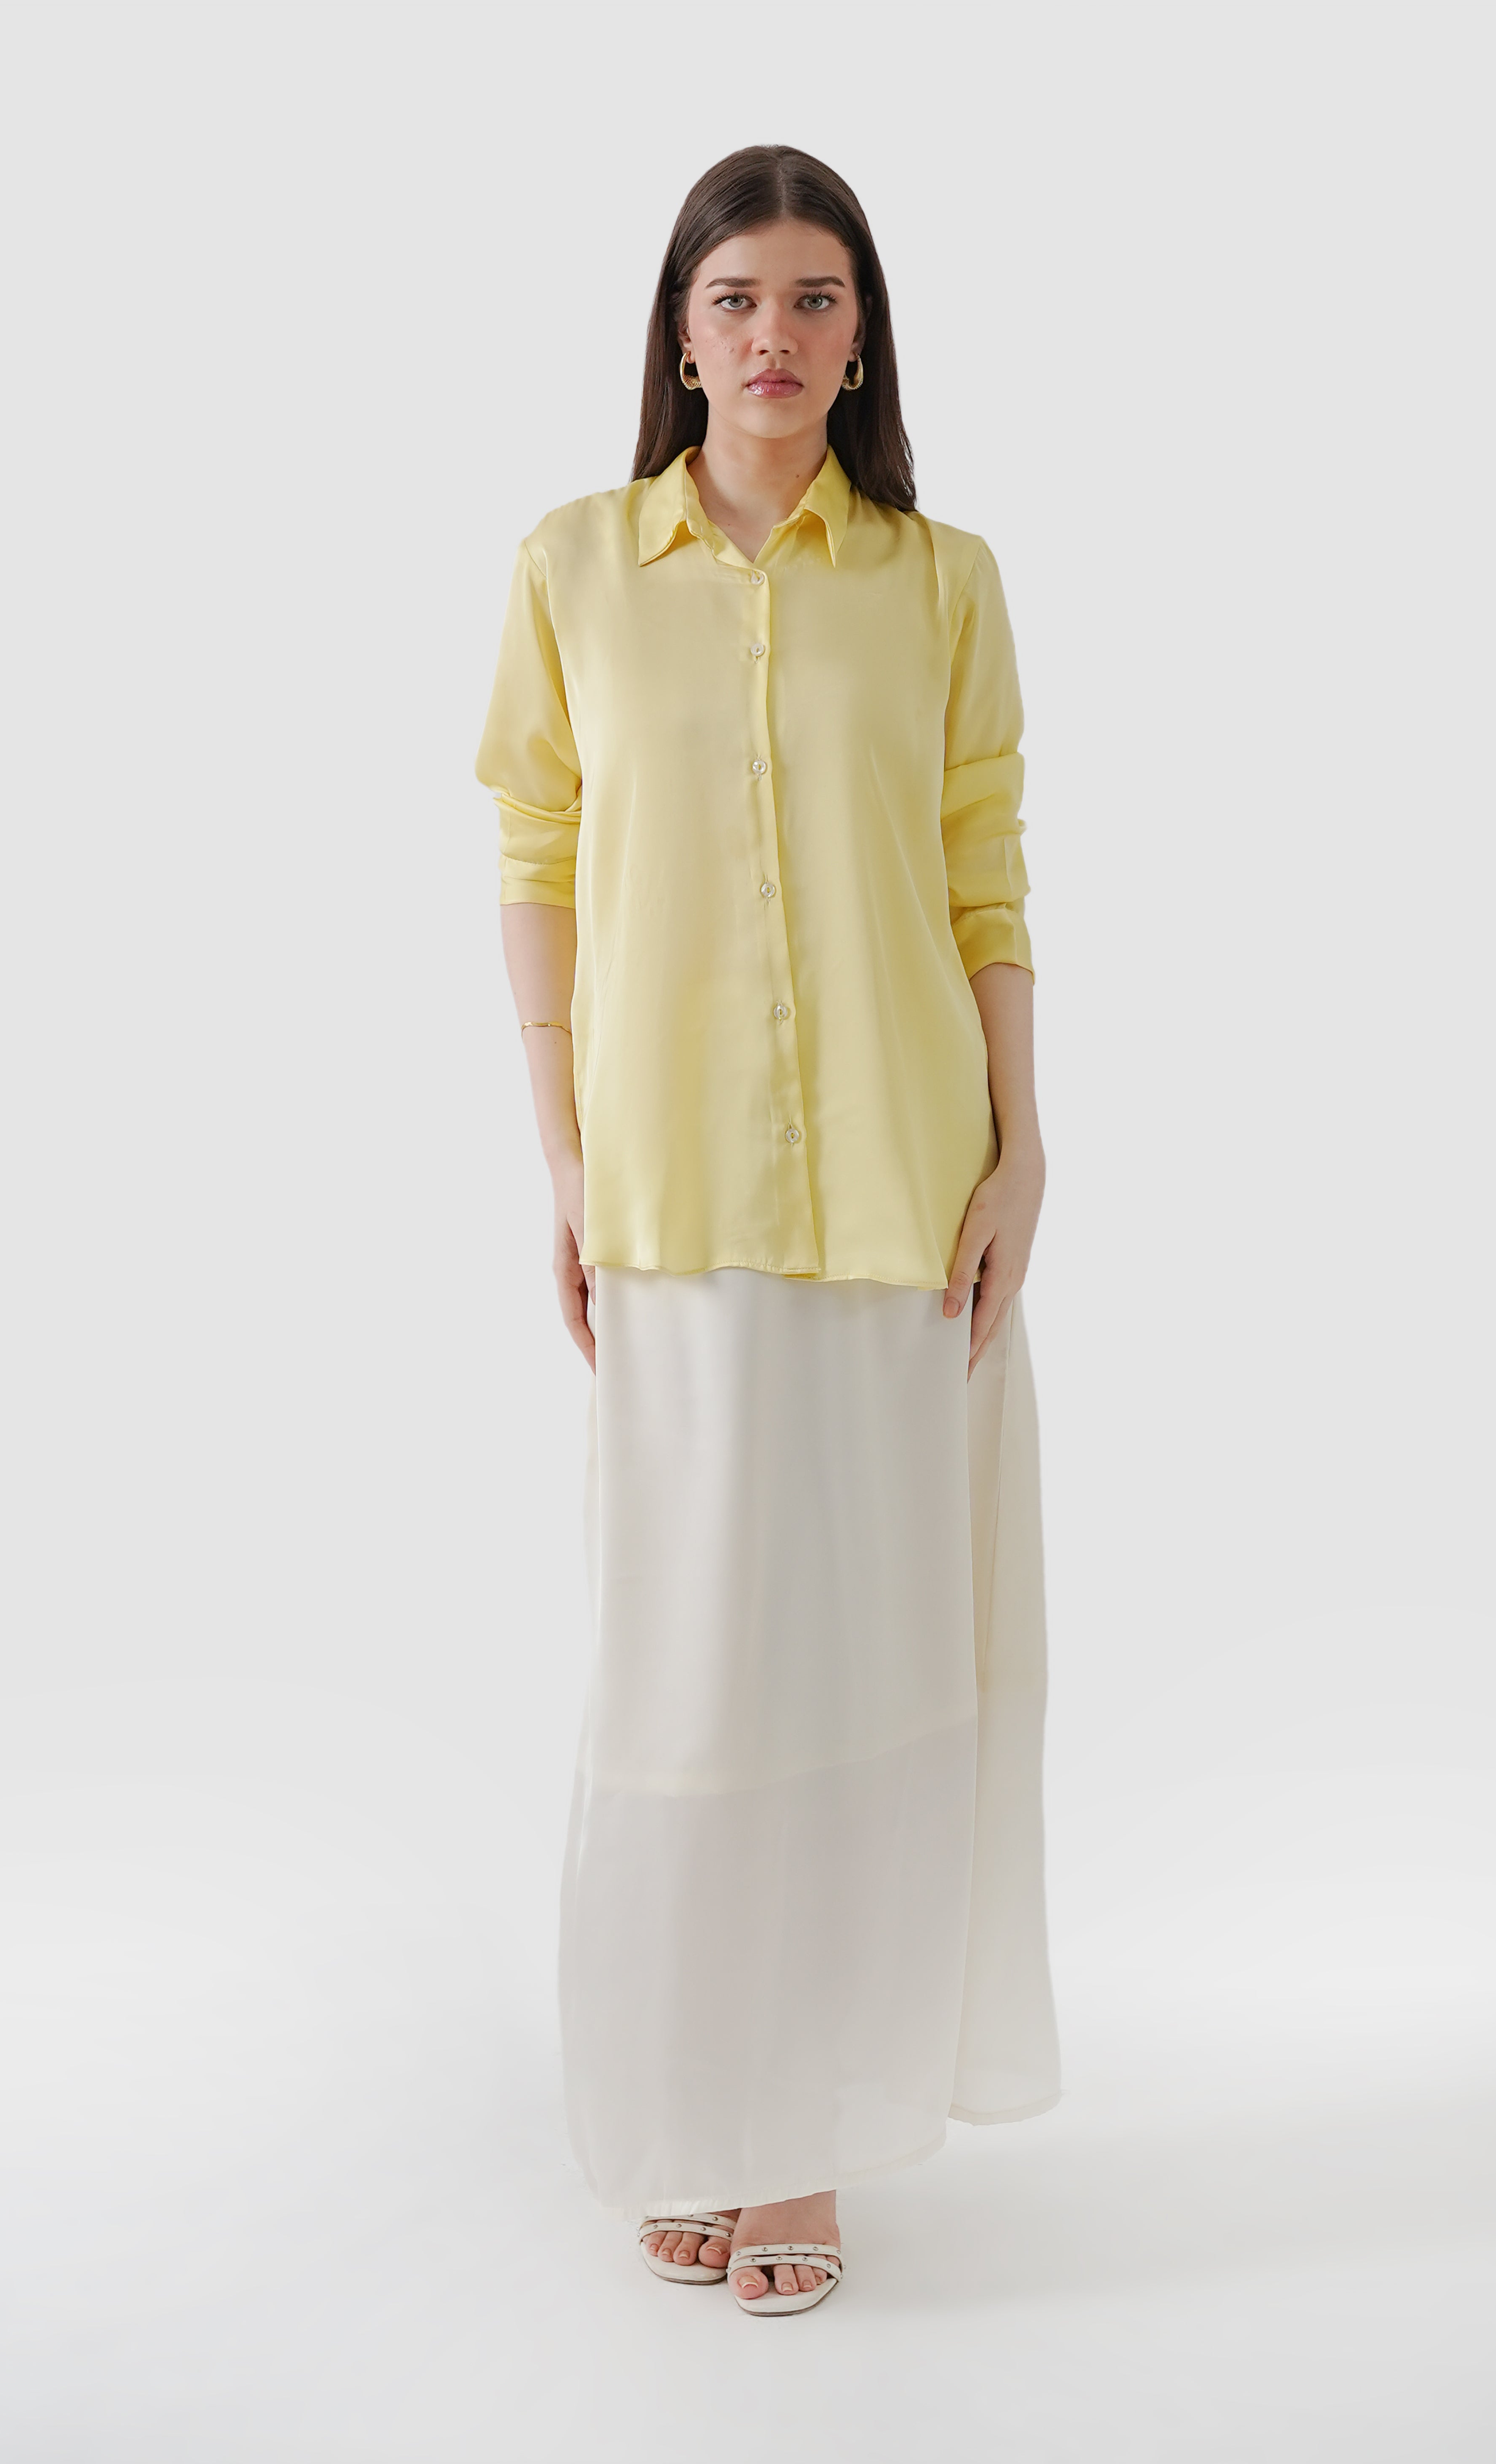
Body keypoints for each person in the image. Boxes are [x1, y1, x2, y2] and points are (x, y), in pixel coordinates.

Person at [476, 143, 1060, 2318]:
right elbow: (536, 854)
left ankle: (800, 2136)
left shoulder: (940, 580)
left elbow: (981, 866)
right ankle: (690, 2108)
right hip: (672, 1194)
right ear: (680, 331)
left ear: (861, 336)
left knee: (868, 1672)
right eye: (735, 299)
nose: (774, 337)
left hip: (906, 1193)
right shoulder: (572, 565)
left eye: (816, 299)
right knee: (692, 1675)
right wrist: (562, 1160)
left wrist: (1020, 1147)